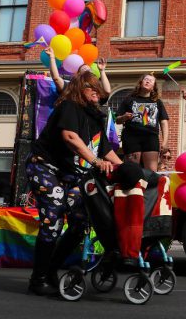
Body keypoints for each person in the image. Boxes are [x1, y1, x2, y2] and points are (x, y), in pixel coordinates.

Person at [25, 70, 123, 295]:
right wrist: (96, 162)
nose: (97, 92)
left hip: (71, 173)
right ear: (82, 89)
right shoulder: (69, 107)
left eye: (98, 89)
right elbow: (70, 137)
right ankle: (38, 279)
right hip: (45, 167)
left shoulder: (95, 117)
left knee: (80, 221)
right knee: (54, 216)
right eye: (93, 88)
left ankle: (52, 269)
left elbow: (105, 149)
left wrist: (126, 170)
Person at [116, 73, 169, 171]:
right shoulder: (129, 100)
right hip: (132, 137)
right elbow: (117, 120)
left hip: (151, 138)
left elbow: (164, 122)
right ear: (140, 83)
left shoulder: (157, 102)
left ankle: (149, 186)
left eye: (151, 80)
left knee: (151, 172)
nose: (148, 81)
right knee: (132, 171)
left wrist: (165, 142)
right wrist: (124, 117)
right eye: (146, 79)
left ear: (154, 87)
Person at [46, 46, 111, 95]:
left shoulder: (95, 90)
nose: (86, 70)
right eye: (83, 69)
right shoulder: (72, 87)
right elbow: (56, 78)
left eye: (88, 69)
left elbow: (107, 91)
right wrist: (52, 57)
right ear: (79, 75)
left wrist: (102, 71)